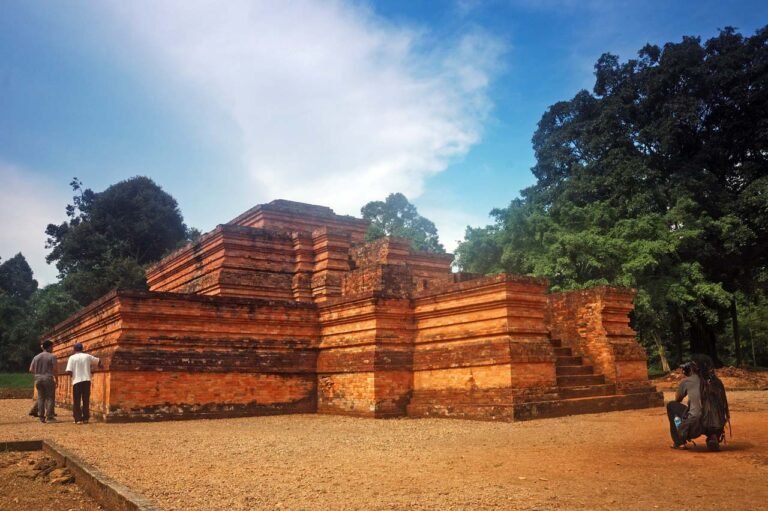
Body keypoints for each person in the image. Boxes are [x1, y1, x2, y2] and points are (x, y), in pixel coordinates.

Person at [666, 360, 702, 448]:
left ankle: (679, 442)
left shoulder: (686, 381)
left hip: (695, 418)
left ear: (688, 370)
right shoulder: (708, 379)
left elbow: (677, 399)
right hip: (712, 417)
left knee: (671, 405)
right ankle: (713, 436)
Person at [65, 342, 101, 424]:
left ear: (74, 349)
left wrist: (73, 377)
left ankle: (77, 419)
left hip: (76, 381)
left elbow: (69, 371)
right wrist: (100, 366)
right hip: (86, 380)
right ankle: (85, 418)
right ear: (82, 349)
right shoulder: (87, 356)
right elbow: (98, 361)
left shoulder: (72, 358)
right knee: (86, 400)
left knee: (76, 400)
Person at [28, 340, 57, 423]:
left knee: (41, 397)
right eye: (52, 347)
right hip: (48, 378)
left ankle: (41, 416)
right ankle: (50, 416)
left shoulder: (36, 357)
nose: (53, 348)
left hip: (38, 378)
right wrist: (57, 379)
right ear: (48, 347)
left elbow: (30, 369)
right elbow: (55, 369)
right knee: (50, 397)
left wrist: (37, 375)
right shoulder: (52, 356)